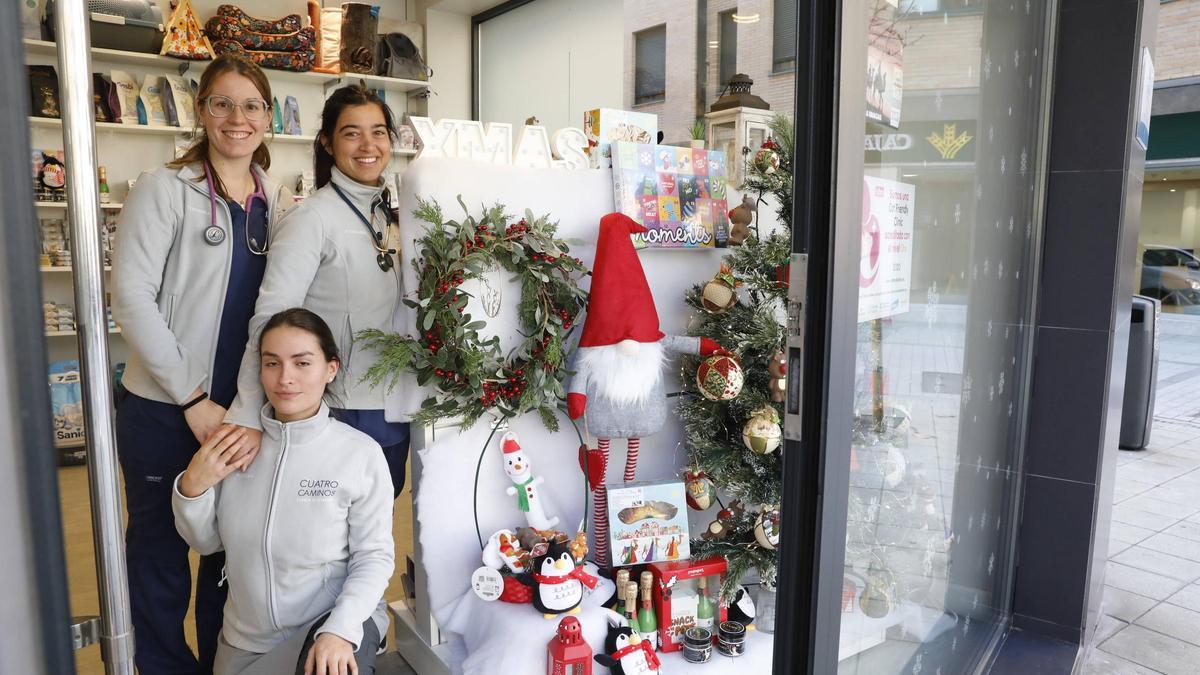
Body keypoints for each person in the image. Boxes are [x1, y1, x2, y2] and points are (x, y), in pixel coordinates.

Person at [110, 54, 292, 674]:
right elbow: (130, 300)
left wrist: (246, 407)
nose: (238, 118)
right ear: (201, 111)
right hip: (166, 409)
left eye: (252, 105)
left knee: (228, 556)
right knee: (160, 554)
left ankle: (223, 664)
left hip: (240, 412)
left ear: (268, 116)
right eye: (222, 103)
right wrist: (190, 398)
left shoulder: (276, 200)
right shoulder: (165, 189)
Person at [173, 308, 394, 675]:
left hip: (329, 626)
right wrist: (192, 487)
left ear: (331, 369)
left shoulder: (359, 454)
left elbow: (374, 556)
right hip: (246, 639)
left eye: (302, 363)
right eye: (272, 363)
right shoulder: (237, 447)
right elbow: (208, 543)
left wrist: (339, 630)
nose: (285, 378)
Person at [226, 85, 409, 498]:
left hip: (392, 402)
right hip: (338, 405)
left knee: (378, 516)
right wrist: (248, 411)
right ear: (327, 142)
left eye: (378, 132)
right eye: (351, 133)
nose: (368, 145)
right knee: (329, 524)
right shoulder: (310, 219)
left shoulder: (389, 217)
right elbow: (271, 318)